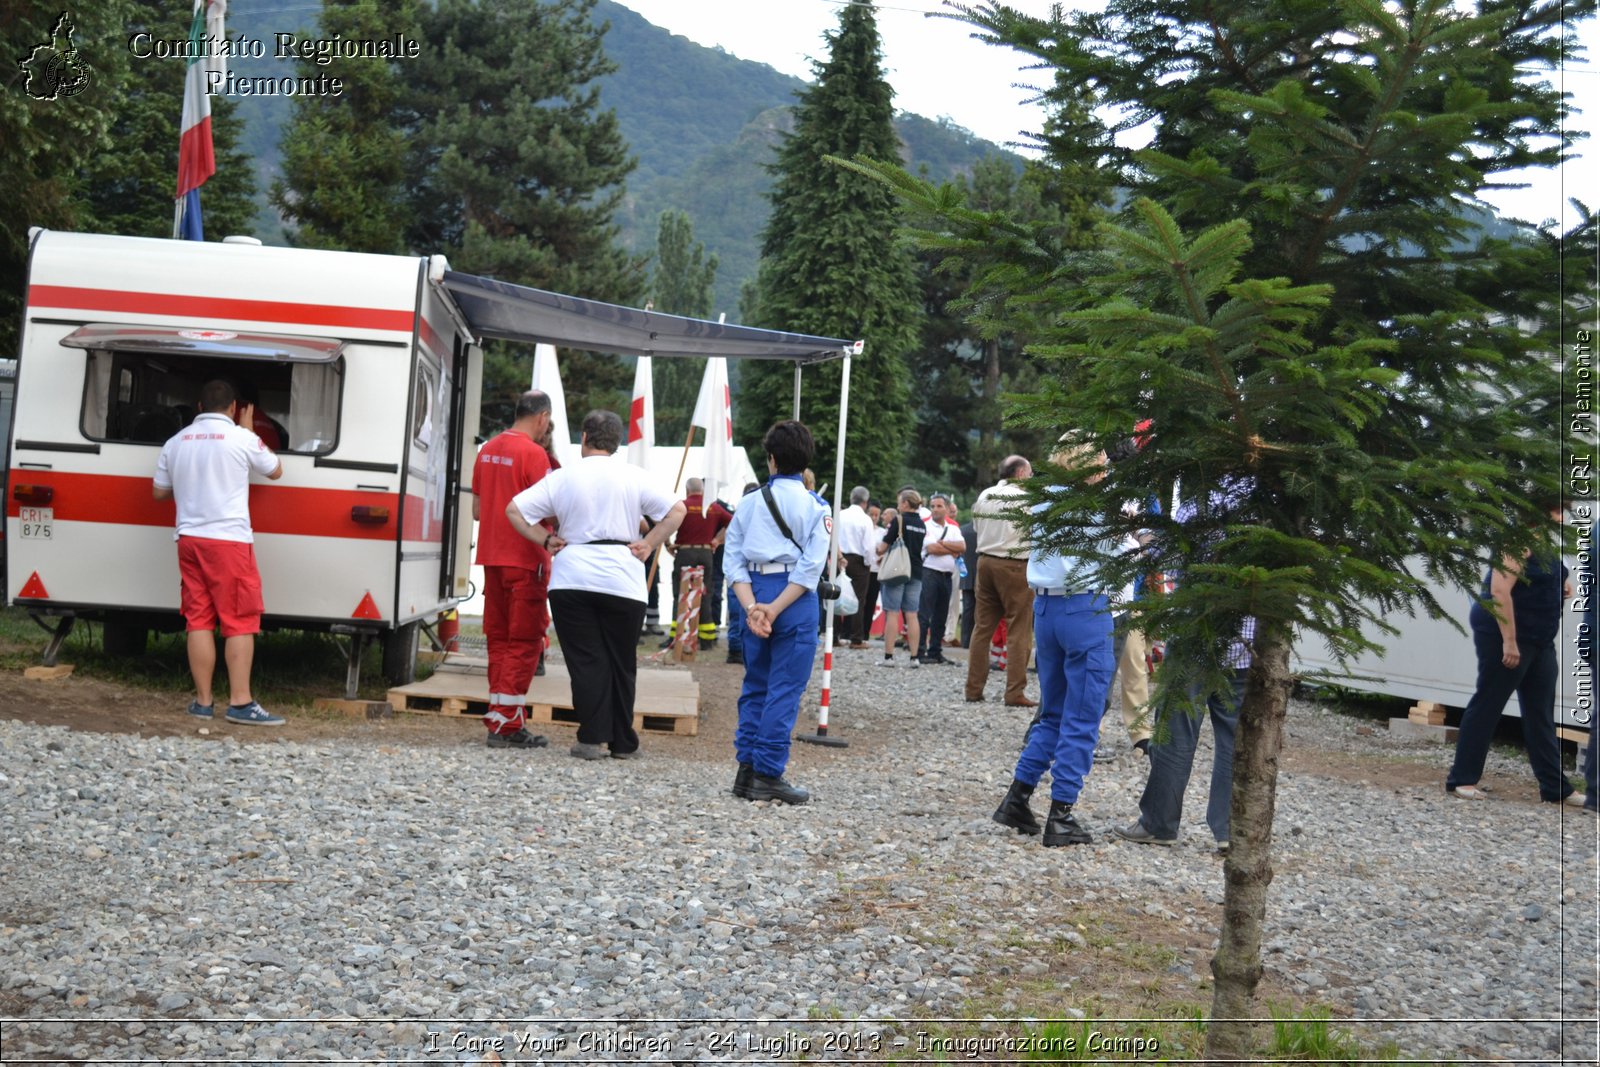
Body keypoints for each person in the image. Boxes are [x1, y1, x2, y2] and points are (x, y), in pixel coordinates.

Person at [506, 410, 685, 760]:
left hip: (574, 575)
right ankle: (623, 741)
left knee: (586, 660)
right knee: (621, 660)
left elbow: (515, 510)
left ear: (584, 438)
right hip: (624, 576)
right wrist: (650, 544)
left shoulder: (563, 477)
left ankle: (591, 737)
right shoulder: (633, 476)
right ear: (616, 443)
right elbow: (677, 510)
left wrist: (545, 540)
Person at [991, 447, 1114, 846]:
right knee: (1083, 713)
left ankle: (1018, 796)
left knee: (1054, 712)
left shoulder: (1042, 501)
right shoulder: (1096, 507)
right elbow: (1124, 551)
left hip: (1047, 608)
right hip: (1085, 608)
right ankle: (1061, 814)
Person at [152, 379, 284, 726]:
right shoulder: (242, 438)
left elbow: (159, 492)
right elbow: (275, 470)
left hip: (189, 538)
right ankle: (240, 702)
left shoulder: (175, 442)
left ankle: (203, 702)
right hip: (229, 541)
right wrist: (248, 430)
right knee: (239, 620)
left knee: (198, 619)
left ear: (198, 407)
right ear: (233, 408)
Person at [1446, 502, 1584, 805]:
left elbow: (1537, 577)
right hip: (1504, 635)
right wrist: (1509, 642)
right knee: (1489, 703)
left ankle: (1556, 788)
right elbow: (1499, 591)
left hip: (1539, 638)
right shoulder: (1515, 541)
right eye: (1557, 509)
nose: (1562, 516)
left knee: (1541, 713)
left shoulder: (1543, 542)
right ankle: (1462, 779)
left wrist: (1561, 585)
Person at [724, 420, 831, 804]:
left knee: (755, 685)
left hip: (754, 589)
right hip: (794, 598)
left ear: (770, 460)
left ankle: (746, 769)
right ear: (806, 465)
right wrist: (775, 607)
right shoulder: (816, 506)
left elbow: (732, 559)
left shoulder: (749, 503)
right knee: (784, 689)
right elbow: (812, 567)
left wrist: (754, 608)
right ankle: (769, 772)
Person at [471, 390, 555, 750]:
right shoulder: (534, 455)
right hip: (526, 559)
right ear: (542, 418)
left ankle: (500, 716)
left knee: (499, 640)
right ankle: (506, 726)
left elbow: (476, 510)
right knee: (523, 642)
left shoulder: (487, 449)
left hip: (492, 557)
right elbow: (550, 510)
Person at [966, 455, 1037, 707]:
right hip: (1015, 564)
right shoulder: (1026, 498)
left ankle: (973, 689)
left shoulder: (985, 495)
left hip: (985, 561)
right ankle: (1014, 692)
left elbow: (976, 527)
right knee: (1019, 629)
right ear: (1020, 474)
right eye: (1029, 474)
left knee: (982, 627)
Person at [662, 477, 732, 650]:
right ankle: (706, 639)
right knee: (705, 593)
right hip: (706, 553)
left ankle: (675, 638)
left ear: (687, 490)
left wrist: (668, 544)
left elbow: (663, 522)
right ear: (703, 490)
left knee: (680, 594)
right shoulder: (714, 507)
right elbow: (733, 521)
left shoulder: (682, 506)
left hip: (684, 553)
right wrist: (717, 540)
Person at [877, 489, 927, 668]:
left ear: (905, 503)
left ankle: (889, 657)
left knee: (892, 612)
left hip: (897, 571)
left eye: (899, 501)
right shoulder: (922, 524)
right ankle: (914, 657)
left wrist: (878, 550)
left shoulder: (898, 520)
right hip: (916, 571)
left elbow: (882, 548)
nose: (898, 504)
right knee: (912, 614)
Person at [917, 493, 964, 664]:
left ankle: (935, 651)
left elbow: (962, 547)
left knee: (941, 615)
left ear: (947, 508)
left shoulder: (953, 528)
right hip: (929, 572)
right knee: (924, 614)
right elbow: (931, 548)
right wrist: (951, 549)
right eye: (933, 506)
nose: (935, 509)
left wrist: (943, 544)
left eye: (939, 506)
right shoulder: (925, 526)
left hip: (946, 575)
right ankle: (920, 651)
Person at [837, 486, 876, 649]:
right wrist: (867, 562)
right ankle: (856, 638)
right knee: (859, 599)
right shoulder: (865, 519)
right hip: (859, 560)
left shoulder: (840, 515)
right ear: (865, 502)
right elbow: (868, 546)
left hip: (839, 557)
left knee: (835, 595)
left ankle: (834, 636)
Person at [958, 503, 978, 648]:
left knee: (967, 610)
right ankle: (978, 642)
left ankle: (965, 641)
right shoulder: (987, 531)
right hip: (983, 576)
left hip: (966, 574)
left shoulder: (962, 530)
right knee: (983, 613)